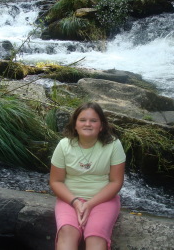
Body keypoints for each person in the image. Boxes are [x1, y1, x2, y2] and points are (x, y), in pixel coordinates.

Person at [49, 102, 126, 250]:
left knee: (95, 235)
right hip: (69, 199)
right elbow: (56, 181)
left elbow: (116, 182)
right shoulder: (64, 145)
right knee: (67, 232)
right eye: (82, 120)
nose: (88, 124)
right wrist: (76, 202)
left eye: (93, 120)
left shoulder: (114, 145)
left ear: (101, 126)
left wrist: (90, 204)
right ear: (75, 125)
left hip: (103, 200)